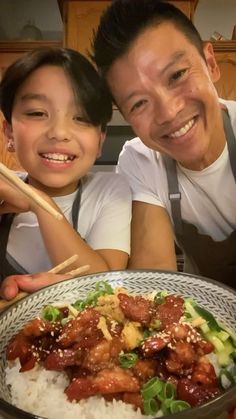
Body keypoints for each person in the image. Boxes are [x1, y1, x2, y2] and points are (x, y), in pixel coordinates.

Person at [91, 0, 236, 289]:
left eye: (177, 75)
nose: (169, 112)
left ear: (210, 63)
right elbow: (155, 276)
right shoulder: (140, 160)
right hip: (204, 316)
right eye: (139, 103)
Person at [0, 46, 132, 300]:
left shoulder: (111, 190)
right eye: (37, 113)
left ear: (101, 139)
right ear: (9, 132)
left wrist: (40, 203)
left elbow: (104, 289)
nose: (59, 132)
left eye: (81, 118)